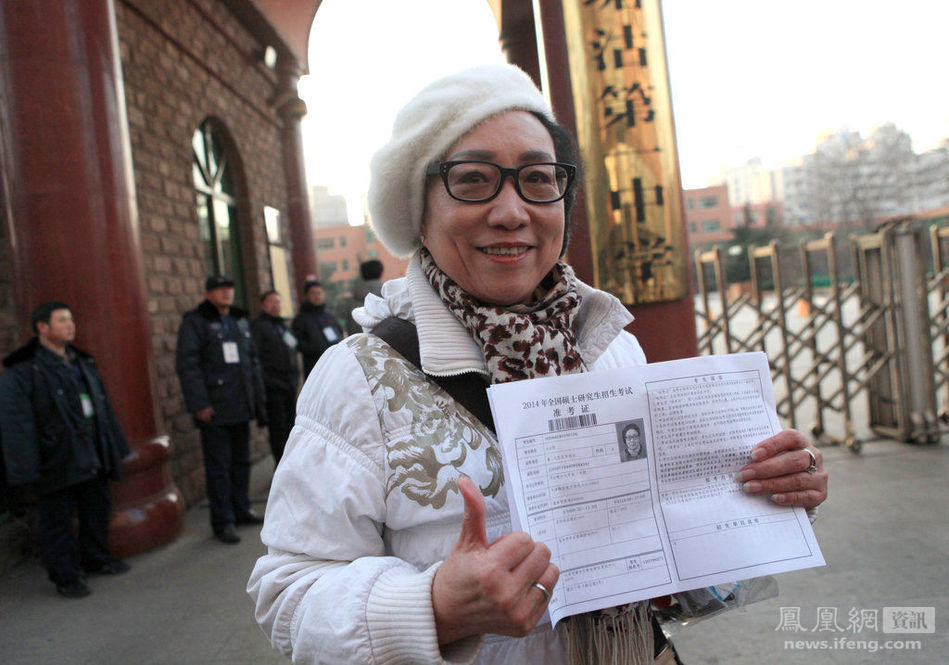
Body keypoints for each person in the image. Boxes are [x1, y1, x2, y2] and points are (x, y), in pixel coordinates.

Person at [247, 64, 828, 664]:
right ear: (418, 212)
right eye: (473, 180)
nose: (511, 211)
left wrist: (763, 497)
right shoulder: (363, 377)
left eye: (537, 179)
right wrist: (434, 608)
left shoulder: (610, 347)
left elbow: (670, 567)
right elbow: (287, 593)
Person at [0, 302, 130, 598]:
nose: (70, 325)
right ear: (42, 327)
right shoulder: (24, 368)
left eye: (71, 319)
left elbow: (102, 406)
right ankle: (66, 576)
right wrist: (26, 467)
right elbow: (16, 422)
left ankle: (97, 558)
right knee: (56, 521)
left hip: (91, 450)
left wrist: (113, 445)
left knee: (96, 508)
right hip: (55, 457)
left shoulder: (80, 360)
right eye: (62, 320)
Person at [176, 275, 266, 544]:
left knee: (241, 462)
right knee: (219, 467)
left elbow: (251, 361)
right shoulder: (196, 322)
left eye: (229, 288)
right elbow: (188, 366)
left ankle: (241, 509)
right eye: (219, 289)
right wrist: (199, 404)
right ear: (208, 294)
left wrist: (256, 400)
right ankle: (222, 520)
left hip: (239, 404)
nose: (226, 293)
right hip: (215, 408)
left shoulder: (238, 320)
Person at [251, 290, 300, 465]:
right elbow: (255, 359)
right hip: (273, 388)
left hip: (289, 385)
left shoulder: (284, 326)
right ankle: (281, 466)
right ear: (263, 305)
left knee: (291, 428)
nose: (275, 305)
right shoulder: (259, 327)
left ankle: (292, 464)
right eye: (271, 302)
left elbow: (293, 349)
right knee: (278, 431)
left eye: (278, 302)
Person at [292, 280, 343, 378]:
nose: (317, 296)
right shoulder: (301, 319)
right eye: (313, 293)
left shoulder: (329, 317)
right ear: (307, 296)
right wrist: (314, 349)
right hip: (314, 366)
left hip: (334, 363)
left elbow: (339, 334)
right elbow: (296, 342)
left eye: (319, 293)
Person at [345, 259, 385, 335]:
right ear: (381, 274)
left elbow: (349, 326)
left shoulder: (353, 297)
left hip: (359, 340)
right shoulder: (387, 292)